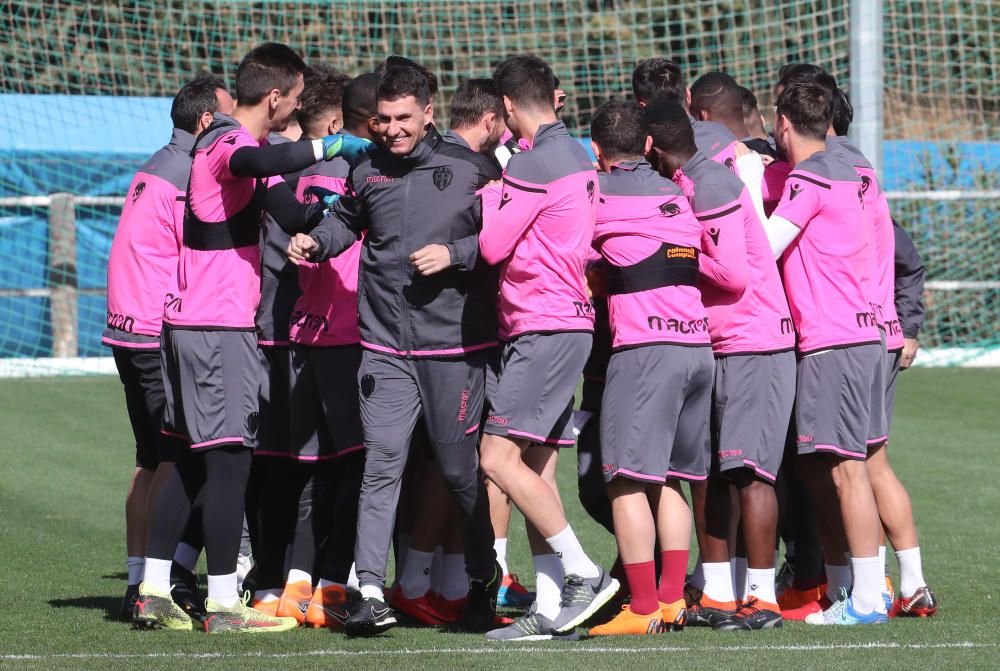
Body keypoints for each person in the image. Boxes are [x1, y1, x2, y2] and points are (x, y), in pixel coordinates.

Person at [135, 42, 370, 634]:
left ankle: (153, 593)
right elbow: (253, 167)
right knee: (232, 463)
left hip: (192, 325)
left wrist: (351, 214)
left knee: (190, 461)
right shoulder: (230, 143)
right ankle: (222, 604)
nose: (293, 110)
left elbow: (293, 213)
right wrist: (328, 147)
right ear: (274, 96)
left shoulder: (251, 151)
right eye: (292, 101)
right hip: (216, 327)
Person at [287, 63, 502, 637]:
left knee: (460, 473)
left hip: (454, 349)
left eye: (403, 118)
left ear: (428, 112)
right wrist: (316, 241)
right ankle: (370, 592)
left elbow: (505, 238)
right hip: (383, 347)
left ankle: (485, 578)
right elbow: (346, 224)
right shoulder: (367, 170)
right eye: (382, 120)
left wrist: (455, 254)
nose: (392, 130)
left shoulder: (472, 168)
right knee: (381, 466)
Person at [477, 55, 618, 642]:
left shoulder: (532, 164)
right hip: (566, 323)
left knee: (495, 458)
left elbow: (490, 247)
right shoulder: (580, 156)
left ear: (507, 107)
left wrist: (490, 195)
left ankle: (584, 573)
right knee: (535, 466)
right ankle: (553, 603)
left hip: (543, 323)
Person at [646, 98, 796, 630]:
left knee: (750, 474)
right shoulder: (694, 182)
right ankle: (720, 595)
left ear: (651, 146)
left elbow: (730, 275)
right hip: (727, 342)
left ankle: (763, 598)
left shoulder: (709, 186)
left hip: (755, 343)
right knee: (715, 473)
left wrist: (674, 255)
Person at [104, 75, 232, 620]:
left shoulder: (157, 161)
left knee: (150, 458)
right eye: (229, 117)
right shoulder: (189, 173)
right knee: (180, 461)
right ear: (206, 121)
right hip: (155, 332)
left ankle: (140, 579)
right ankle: (157, 585)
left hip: (125, 330)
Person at [583, 101, 713, 636]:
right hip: (697, 347)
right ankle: (669, 601)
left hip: (645, 349)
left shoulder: (598, 194)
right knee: (670, 481)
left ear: (596, 151)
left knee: (625, 481)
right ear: (646, 147)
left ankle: (640, 609)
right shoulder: (676, 193)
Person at [762, 81, 887, 626]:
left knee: (847, 472)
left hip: (834, 339)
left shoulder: (809, 178)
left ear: (784, 125)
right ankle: (847, 589)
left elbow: (766, 247)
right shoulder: (852, 174)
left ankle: (866, 599)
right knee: (826, 467)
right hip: (853, 334)